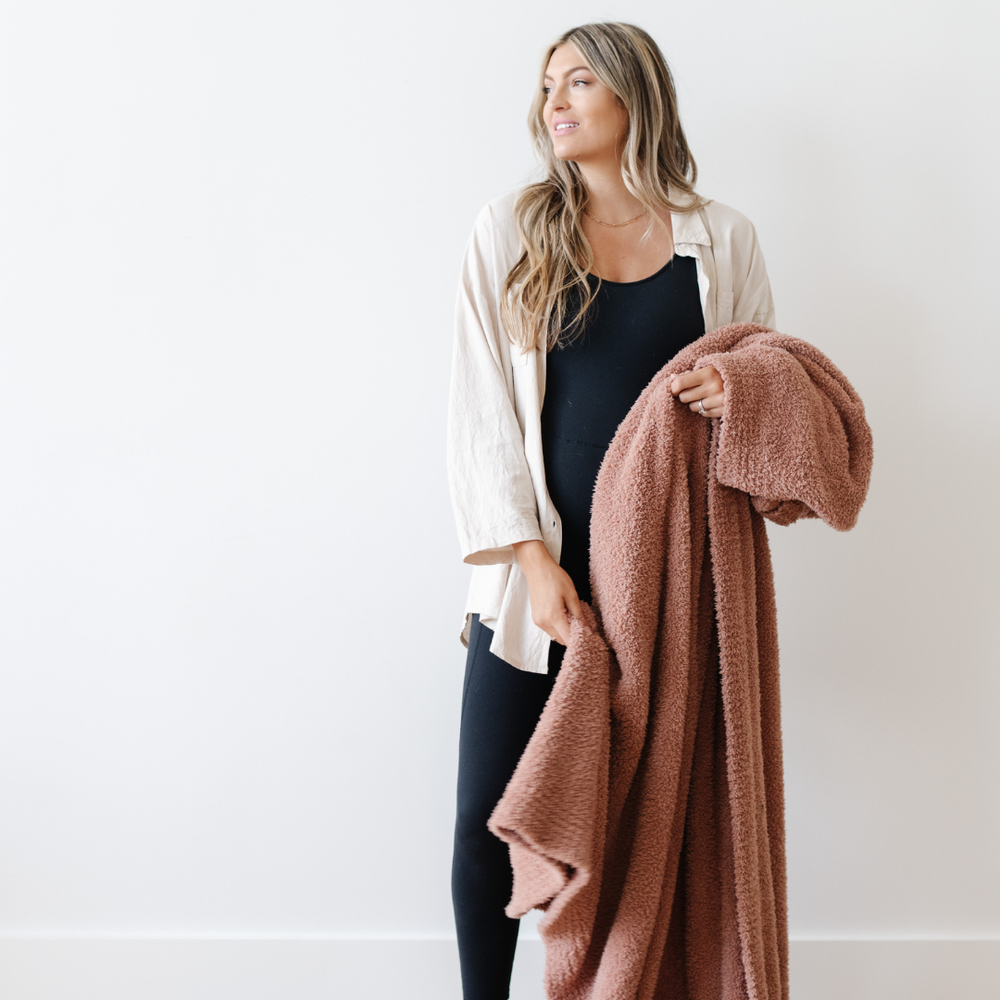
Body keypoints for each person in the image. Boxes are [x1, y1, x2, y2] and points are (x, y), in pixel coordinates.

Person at [446, 21, 776, 1000]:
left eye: (580, 80)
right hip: (539, 582)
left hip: (672, 587)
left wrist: (743, 396)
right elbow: (479, 412)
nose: (554, 101)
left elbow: (771, 382)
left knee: (650, 829)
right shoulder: (509, 229)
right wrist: (529, 561)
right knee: (490, 819)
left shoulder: (722, 239)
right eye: (548, 83)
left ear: (637, 95)